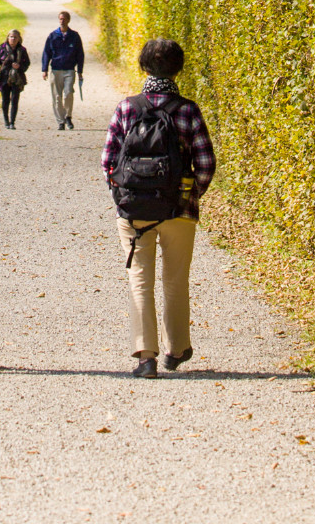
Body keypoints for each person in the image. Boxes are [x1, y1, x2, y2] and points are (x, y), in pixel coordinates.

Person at [101, 35, 216, 378]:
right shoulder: (187, 110)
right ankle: (176, 349)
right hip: (179, 209)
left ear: (143, 66)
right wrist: (189, 194)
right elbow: (206, 163)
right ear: (178, 68)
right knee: (176, 280)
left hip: (135, 211)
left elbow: (108, 161)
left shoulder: (127, 108)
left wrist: (125, 195)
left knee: (139, 279)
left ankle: (145, 356)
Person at [40, 6, 84, 129]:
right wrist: (44, 69)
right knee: (57, 97)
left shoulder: (74, 36)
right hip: (55, 69)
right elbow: (46, 53)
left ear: (68, 20)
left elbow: (80, 54)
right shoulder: (53, 36)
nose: (62, 21)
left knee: (68, 93)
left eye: (64, 19)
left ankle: (68, 116)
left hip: (69, 69)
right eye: (60, 19)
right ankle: (60, 120)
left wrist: (80, 71)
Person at [0, 28, 31, 129]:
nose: (12, 39)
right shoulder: (2, 49)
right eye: (11, 37)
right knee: (5, 100)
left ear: (19, 39)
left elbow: (27, 63)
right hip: (4, 78)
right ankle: (6, 121)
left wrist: (20, 67)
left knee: (15, 100)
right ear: (7, 38)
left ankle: (12, 122)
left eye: (15, 37)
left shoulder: (22, 50)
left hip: (17, 78)